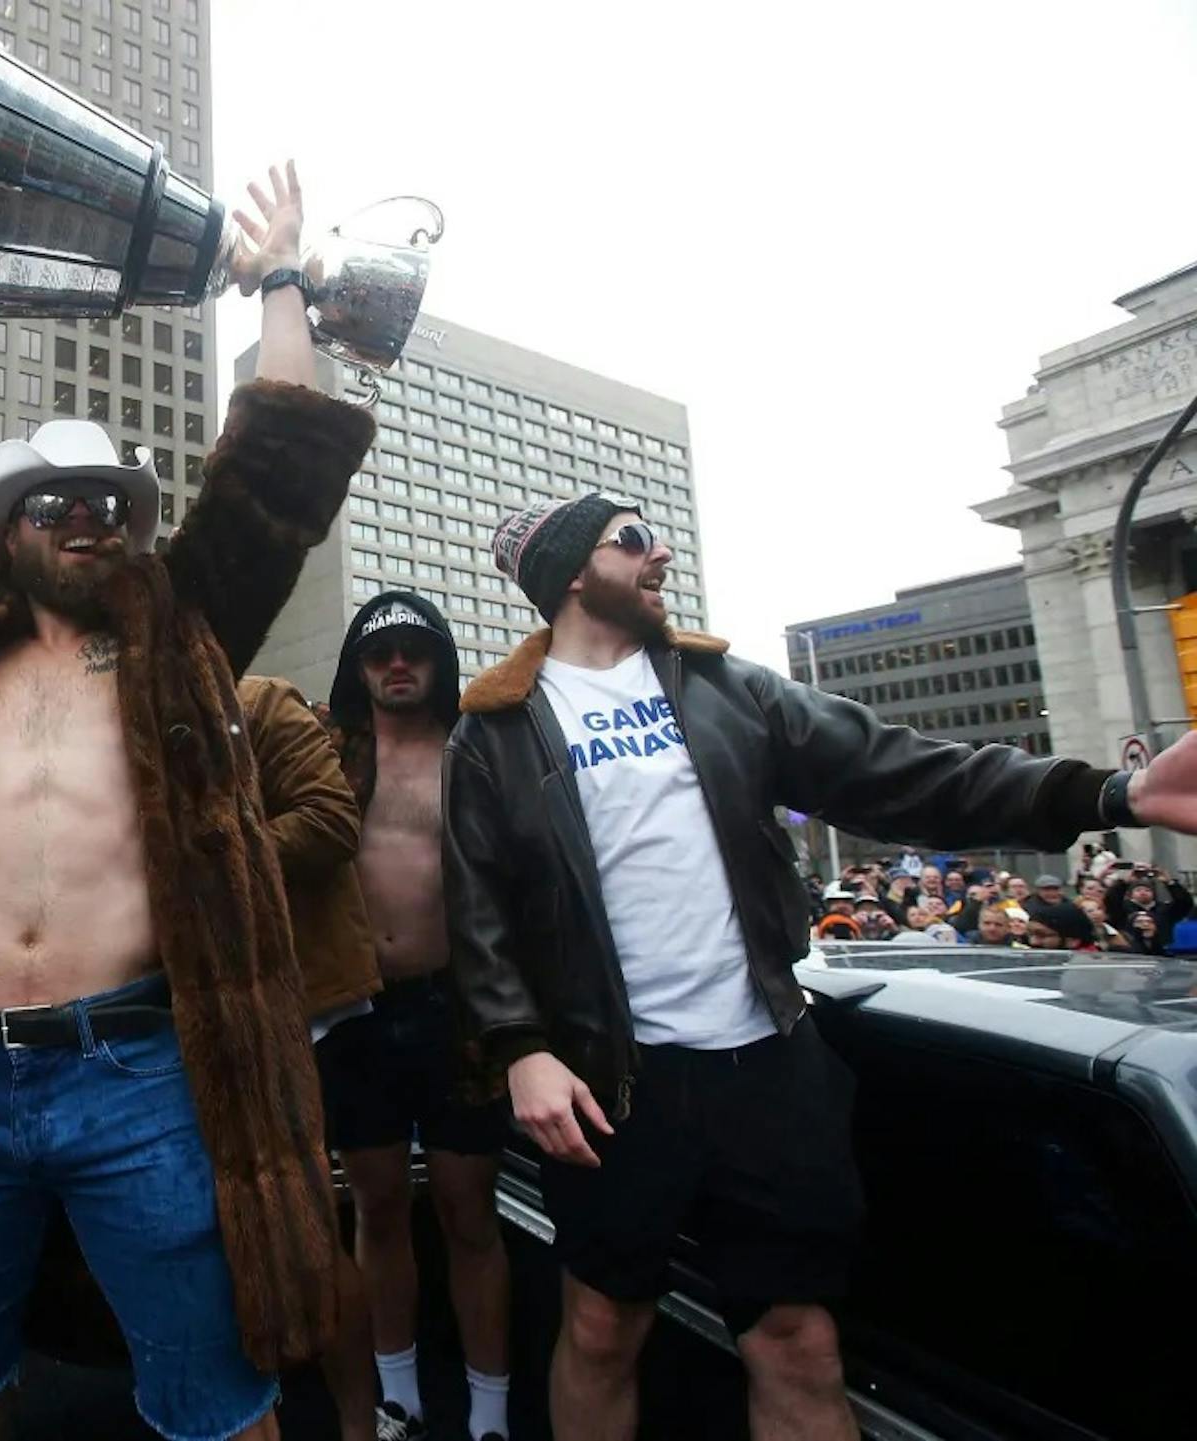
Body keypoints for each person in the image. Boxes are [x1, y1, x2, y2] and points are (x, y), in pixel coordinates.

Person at [0, 161, 374, 1441]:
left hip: (142, 1068)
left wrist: (276, 285)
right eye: (61, 503)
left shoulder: (184, 625)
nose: (92, 518)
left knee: (220, 1401)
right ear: (4, 531)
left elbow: (279, 479)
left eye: (111, 504)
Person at [442, 492, 1197, 1440]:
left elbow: (907, 772)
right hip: (613, 1084)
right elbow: (476, 911)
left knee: (798, 1339)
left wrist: (1112, 791)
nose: (661, 551)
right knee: (600, 1327)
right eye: (631, 539)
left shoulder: (729, 690)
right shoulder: (496, 731)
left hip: (769, 1065)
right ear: (570, 574)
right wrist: (521, 1047)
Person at [324, 592, 513, 1441]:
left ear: (438, 661)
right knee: (377, 1204)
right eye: (379, 652)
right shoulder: (325, 756)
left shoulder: (478, 753)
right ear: (357, 668)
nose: (398, 664)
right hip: (357, 1009)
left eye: (414, 649)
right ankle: (397, 1397)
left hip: (457, 1009)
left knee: (471, 1212)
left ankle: (492, 1413)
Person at [236, 672, 385, 1441]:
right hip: (198, 1017)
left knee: (312, 1233)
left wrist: (217, 850)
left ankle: (362, 1424)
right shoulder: (121, 717)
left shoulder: (258, 700)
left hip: (302, 1010)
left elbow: (332, 819)